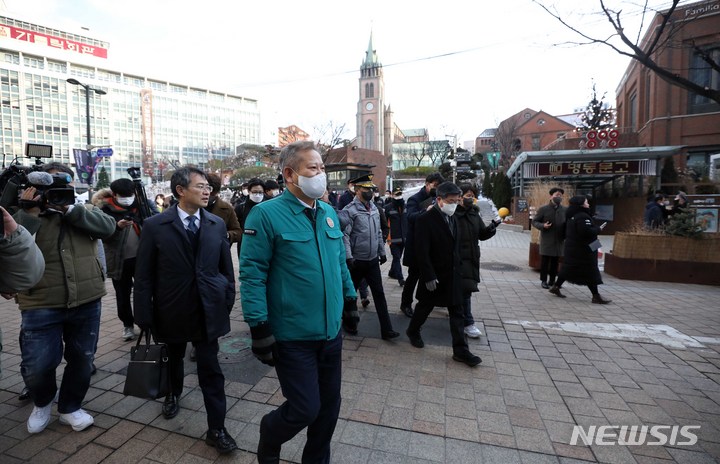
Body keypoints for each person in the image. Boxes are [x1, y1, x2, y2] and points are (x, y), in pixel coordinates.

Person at [239, 141, 357, 463]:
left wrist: (349, 299)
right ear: (290, 174)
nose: (321, 175)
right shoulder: (265, 215)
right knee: (305, 408)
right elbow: (252, 275)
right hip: (292, 335)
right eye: (313, 168)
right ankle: (270, 431)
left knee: (329, 408)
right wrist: (258, 327)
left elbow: (338, 263)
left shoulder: (329, 213)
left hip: (330, 334)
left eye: (322, 168)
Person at [133, 166, 238, 454]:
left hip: (209, 308)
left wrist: (226, 297)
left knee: (211, 369)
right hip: (172, 307)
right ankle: (172, 394)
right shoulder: (156, 226)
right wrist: (143, 315)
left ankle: (217, 428)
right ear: (180, 190)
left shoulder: (216, 224)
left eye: (208, 187)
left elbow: (225, 270)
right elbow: (143, 276)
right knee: (174, 358)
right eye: (200, 186)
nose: (208, 191)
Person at [13, 162, 115, 434]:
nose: (58, 191)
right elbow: (12, 246)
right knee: (38, 364)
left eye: (64, 184)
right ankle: (43, 401)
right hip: (40, 301)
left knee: (82, 359)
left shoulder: (84, 210)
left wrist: (70, 210)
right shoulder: (21, 215)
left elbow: (108, 228)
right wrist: (29, 212)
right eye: (51, 186)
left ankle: (70, 407)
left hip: (87, 298)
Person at [405, 181, 482, 367]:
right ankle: (413, 331)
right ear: (439, 200)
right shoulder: (425, 219)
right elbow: (421, 251)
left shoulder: (454, 217)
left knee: (458, 311)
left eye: (457, 200)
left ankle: (460, 350)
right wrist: (429, 275)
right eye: (450, 201)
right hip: (434, 275)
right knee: (424, 307)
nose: (454, 204)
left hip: (453, 274)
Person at [338, 174, 399, 340]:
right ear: (357, 190)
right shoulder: (349, 211)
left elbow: (378, 232)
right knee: (350, 296)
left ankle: (387, 330)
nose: (370, 192)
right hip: (356, 261)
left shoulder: (375, 209)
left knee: (379, 295)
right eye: (366, 189)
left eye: (371, 189)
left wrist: (381, 252)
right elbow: (345, 236)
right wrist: (349, 257)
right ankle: (348, 324)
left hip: (372, 260)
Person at [101, 178, 151, 342]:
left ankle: (146, 322)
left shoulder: (142, 205)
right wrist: (117, 227)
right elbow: (101, 235)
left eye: (130, 195)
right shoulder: (104, 209)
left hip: (141, 259)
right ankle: (127, 325)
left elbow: (156, 223)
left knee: (144, 292)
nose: (127, 198)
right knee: (122, 295)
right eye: (123, 195)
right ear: (114, 194)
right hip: (119, 260)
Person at [549, 195, 612, 304]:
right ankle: (596, 296)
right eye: (586, 202)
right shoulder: (583, 216)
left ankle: (556, 286)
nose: (588, 204)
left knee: (568, 268)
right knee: (591, 271)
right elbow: (585, 232)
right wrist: (598, 229)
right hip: (584, 250)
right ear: (581, 204)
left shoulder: (571, 215)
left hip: (573, 248)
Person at [455, 184, 498, 339]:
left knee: (465, 291)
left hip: (471, 258)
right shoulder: (452, 213)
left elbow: (481, 234)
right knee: (462, 291)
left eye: (472, 195)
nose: (470, 198)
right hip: (456, 259)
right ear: (459, 197)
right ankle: (466, 322)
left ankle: (466, 322)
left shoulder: (474, 214)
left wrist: (491, 229)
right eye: (467, 195)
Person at [399, 172, 445, 317]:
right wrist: (426, 211)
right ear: (427, 183)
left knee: (433, 275)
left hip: (433, 246)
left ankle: (435, 301)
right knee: (413, 277)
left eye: (439, 187)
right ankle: (405, 304)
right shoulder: (415, 199)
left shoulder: (437, 199)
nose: (436, 189)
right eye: (434, 185)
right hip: (417, 246)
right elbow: (411, 217)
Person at [532, 187, 567, 289]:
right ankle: (543, 280)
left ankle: (552, 280)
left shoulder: (564, 210)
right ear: (551, 196)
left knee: (555, 262)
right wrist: (543, 226)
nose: (558, 197)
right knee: (545, 261)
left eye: (560, 196)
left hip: (559, 240)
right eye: (557, 195)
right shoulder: (544, 209)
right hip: (547, 239)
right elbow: (535, 221)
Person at [206, 173, 243, 244]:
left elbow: (238, 233)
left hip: (217, 250)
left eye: (211, 194)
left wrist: (226, 235)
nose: (206, 195)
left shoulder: (227, 208)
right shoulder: (193, 206)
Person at [234, 178, 266, 259]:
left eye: (260, 192)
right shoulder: (240, 208)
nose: (257, 195)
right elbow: (235, 227)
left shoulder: (269, 207)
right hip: (245, 245)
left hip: (264, 245)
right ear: (249, 191)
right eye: (254, 192)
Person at [384, 187, 408, 286]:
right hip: (393, 238)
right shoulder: (388, 207)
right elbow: (384, 223)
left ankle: (392, 272)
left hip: (404, 238)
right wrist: (385, 236)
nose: (398, 196)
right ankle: (400, 278)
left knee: (396, 258)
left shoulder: (405, 206)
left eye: (399, 194)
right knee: (397, 258)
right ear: (392, 195)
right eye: (396, 194)